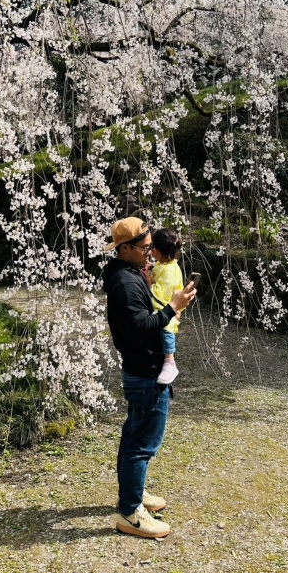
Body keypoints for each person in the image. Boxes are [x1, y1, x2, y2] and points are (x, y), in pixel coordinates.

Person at [102, 217, 196, 539]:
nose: (150, 254)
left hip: (144, 370)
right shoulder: (126, 283)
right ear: (124, 249)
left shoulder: (128, 274)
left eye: (150, 248)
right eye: (144, 249)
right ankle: (131, 511)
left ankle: (132, 495)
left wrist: (171, 307)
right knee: (142, 443)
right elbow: (140, 328)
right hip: (146, 374)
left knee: (133, 437)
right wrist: (172, 308)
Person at [147, 228, 184, 385]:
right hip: (167, 308)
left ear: (155, 250)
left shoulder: (169, 271)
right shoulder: (164, 265)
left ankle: (170, 361)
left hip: (167, 309)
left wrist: (149, 283)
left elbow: (160, 297)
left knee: (166, 330)